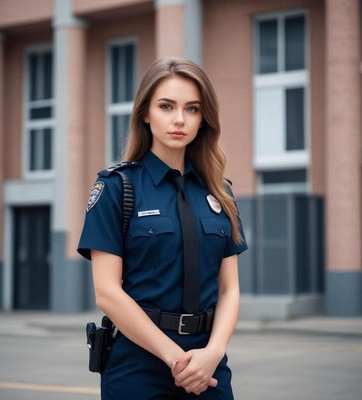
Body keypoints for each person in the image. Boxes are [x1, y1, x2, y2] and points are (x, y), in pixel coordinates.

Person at [77, 56, 248, 399]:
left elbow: (229, 289)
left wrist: (213, 353)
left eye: (193, 109)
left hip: (208, 364)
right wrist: (176, 360)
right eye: (167, 106)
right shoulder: (116, 187)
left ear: (204, 119)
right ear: (145, 113)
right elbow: (107, 293)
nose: (180, 119)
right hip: (139, 365)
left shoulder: (221, 192)